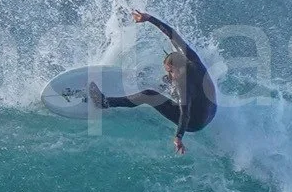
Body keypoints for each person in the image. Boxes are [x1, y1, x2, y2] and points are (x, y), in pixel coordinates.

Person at [90, 10, 217, 154]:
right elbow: (172, 34)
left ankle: (103, 102)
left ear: (174, 67)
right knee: (166, 82)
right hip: (211, 112)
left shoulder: (183, 83)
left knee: (148, 95)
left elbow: (185, 113)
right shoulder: (193, 60)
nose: (168, 74)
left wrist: (179, 137)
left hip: (195, 122)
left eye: (169, 71)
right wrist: (149, 18)